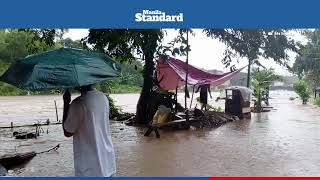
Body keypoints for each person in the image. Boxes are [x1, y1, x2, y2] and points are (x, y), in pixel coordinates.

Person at [62, 84, 116, 177]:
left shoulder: (79, 103)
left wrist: (66, 103)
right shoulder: (103, 98)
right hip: (108, 161)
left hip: (89, 168)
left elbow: (67, 131)